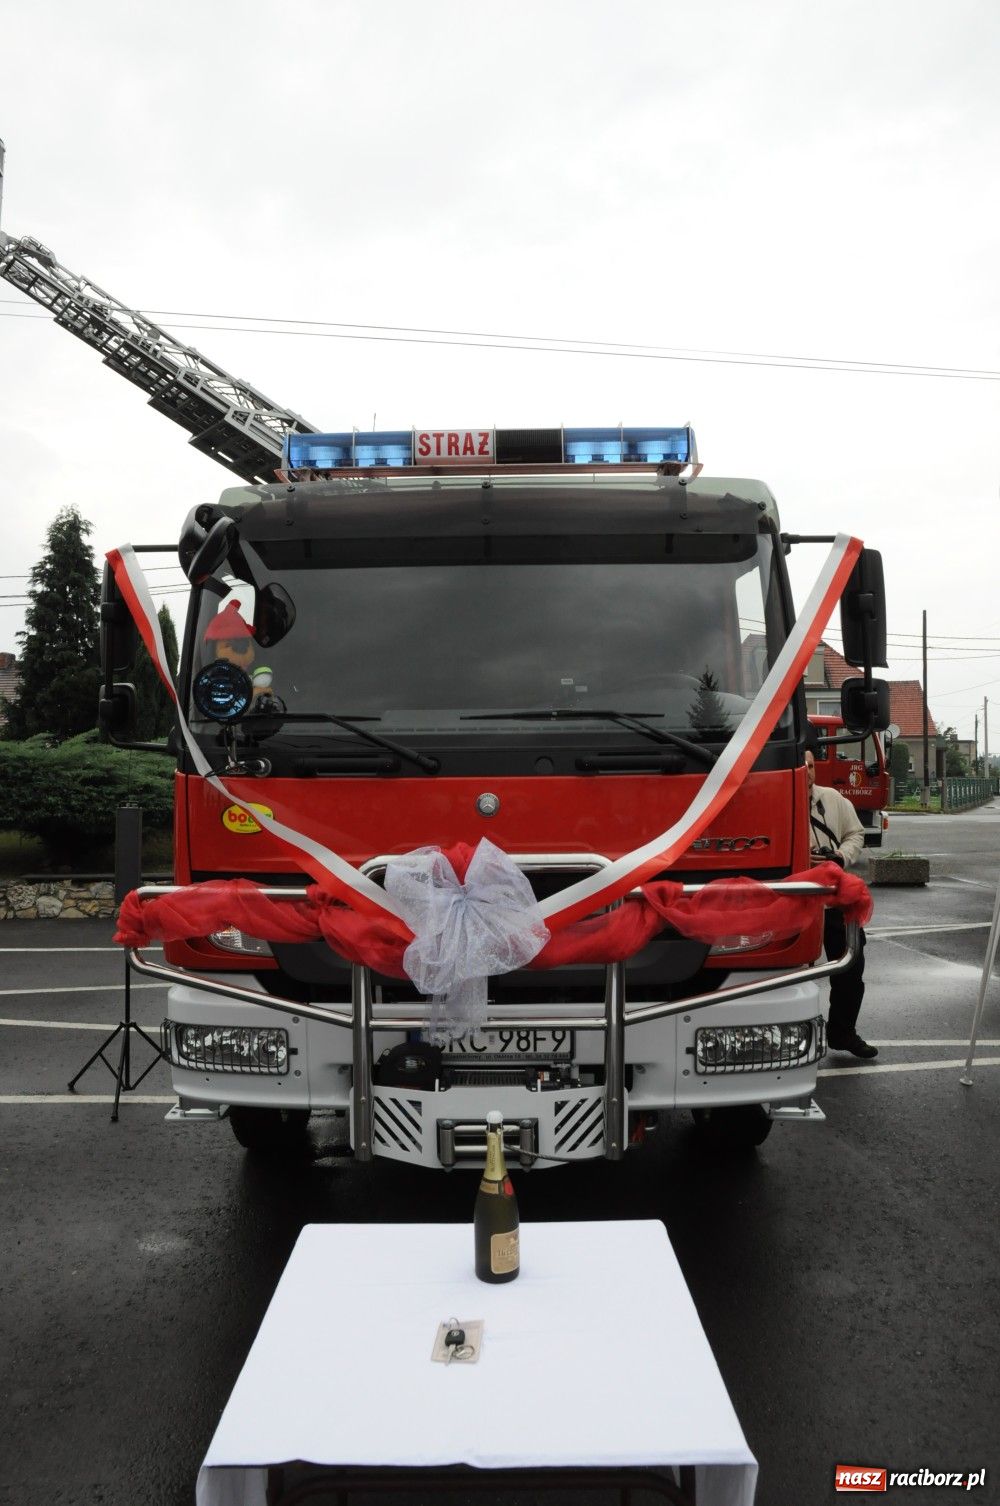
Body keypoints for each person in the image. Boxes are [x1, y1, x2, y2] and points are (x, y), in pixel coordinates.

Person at [805, 741, 878, 1059]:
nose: (806, 772)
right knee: (782, 975)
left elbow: (855, 833)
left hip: (834, 898)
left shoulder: (832, 798)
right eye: (800, 766)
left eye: (810, 766)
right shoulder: (770, 800)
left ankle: (843, 1032)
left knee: (852, 966)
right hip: (793, 902)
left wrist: (839, 857)